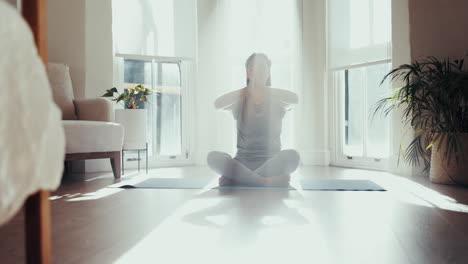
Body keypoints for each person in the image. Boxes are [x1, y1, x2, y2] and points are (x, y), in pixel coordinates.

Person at [207, 53, 300, 187]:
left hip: (271, 162)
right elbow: (217, 104)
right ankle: (264, 181)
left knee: (293, 156)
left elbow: (295, 99)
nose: (258, 72)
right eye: (253, 69)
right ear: (248, 72)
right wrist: (248, 90)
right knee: (212, 157)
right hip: (242, 162)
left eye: (262, 68)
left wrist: (263, 89)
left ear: (268, 72)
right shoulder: (240, 100)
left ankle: (238, 180)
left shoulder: (277, 100)